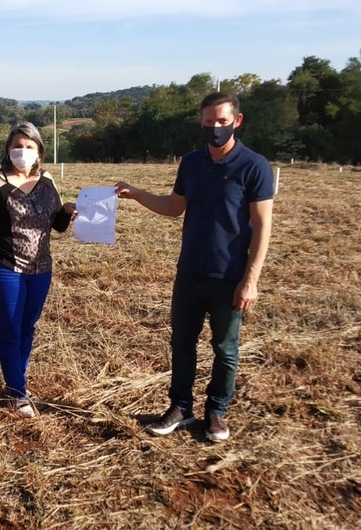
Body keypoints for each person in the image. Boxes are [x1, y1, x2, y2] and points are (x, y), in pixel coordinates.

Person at [116, 92, 273, 442]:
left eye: (222, 121)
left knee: (225, 348)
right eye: (208, 122)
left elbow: (263, 226)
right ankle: (181, 408)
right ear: (200, 122)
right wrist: (137, 193)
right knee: (182, 343)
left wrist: (251, 280)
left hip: (229, 275)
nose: (215, 128)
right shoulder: (191, 163)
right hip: (189, 272)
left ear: (237, 121)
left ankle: (216, 411)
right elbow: (175, 207)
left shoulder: (254, 165)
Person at [0, 122, 76, 418]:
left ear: (39, 151)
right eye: (17, 146)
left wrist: (68, 211)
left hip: (41, 270)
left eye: (29, 147)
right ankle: (17, 392)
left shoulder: (47, 180)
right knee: (10, 329)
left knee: (28, 328)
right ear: (8, 149)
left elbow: (56, 224)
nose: (23, 151)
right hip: (7, 269)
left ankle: (18, 382)